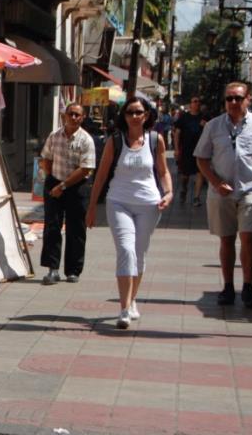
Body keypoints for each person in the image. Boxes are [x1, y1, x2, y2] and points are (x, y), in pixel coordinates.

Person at [86, 96, 172, 329]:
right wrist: (92, 207)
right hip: (118, 202)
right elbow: (101, 175)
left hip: (149, 204)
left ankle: (133, 299)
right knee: (126, 250)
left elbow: (163, 171)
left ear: (146, 115)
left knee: (139, 252)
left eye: (139, 112)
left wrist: (169, 192)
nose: (134, 116)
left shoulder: (156, 140)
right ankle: (124, 308)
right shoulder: (115, 140)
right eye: (130, 112)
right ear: (123, 116)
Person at [194, 82, 252, 309]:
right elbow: (201, 158)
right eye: (229, 98)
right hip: (221, 192)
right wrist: (216, 182)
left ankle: (249, 287)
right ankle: (228, 286)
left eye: (238, 98)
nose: (233, 102)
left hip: (251, 189)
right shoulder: (213, 126)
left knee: (248, 237)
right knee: (227, 239)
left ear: (248, 99)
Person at [38, 103, 97, 285]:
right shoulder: (54, 136)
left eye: (77, 115)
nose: (73, 118)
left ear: (83, 117)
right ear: (64, 116)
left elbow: (86, 169)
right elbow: (46, 158)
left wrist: (63, 186)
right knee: (52, 226)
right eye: (71, 114)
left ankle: (73, 270)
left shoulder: (86, 140)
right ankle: (52, 269)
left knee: (76, 229)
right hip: (55, 182)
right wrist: (52, 180)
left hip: (76, 186)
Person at [174, 96, 207, 206]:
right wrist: (177, 149)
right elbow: (177, 133)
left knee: (200, 172)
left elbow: (211, 133)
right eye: (195, 101)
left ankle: (196, 197)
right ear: (190, 104)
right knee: (185, 175)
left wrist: (205, 126)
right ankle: (184, 189)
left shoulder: (204, 118)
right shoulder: (184, 117)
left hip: (201, 150)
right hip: (187, 149)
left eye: (199, 102)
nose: (197, 103)